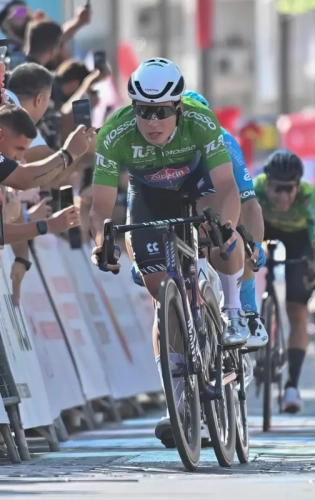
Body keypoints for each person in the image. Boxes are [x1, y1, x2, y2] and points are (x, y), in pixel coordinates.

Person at [87, 58, 250, 446]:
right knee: (165, 297)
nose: (152, 122)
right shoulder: (115, 134)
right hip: (148, 198)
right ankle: (176, 401)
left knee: (221, 235)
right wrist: (101, 244)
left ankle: (231, 310)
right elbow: (100, 209)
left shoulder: (200, 121)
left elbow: (227, 190)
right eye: (143, 111)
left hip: (198, 187)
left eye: (161, 112)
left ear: (178, 106)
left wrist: (225, 228)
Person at [181, 90, 268, 348]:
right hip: (184, 198)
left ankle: (246, 310)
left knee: (235, 233)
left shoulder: (225, 143)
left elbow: (250, 204)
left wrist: (256, 245)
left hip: (216, 194)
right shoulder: (164, 143)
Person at [253, 149, 315, 413]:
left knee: (297, 312)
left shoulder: (309, 199)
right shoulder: (255, 190)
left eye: (290, 189)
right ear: (267, 183)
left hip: (299, 238)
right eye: (277, 189)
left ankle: (292, 386)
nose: (284, 196)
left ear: (299, 185)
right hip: (264, 227)